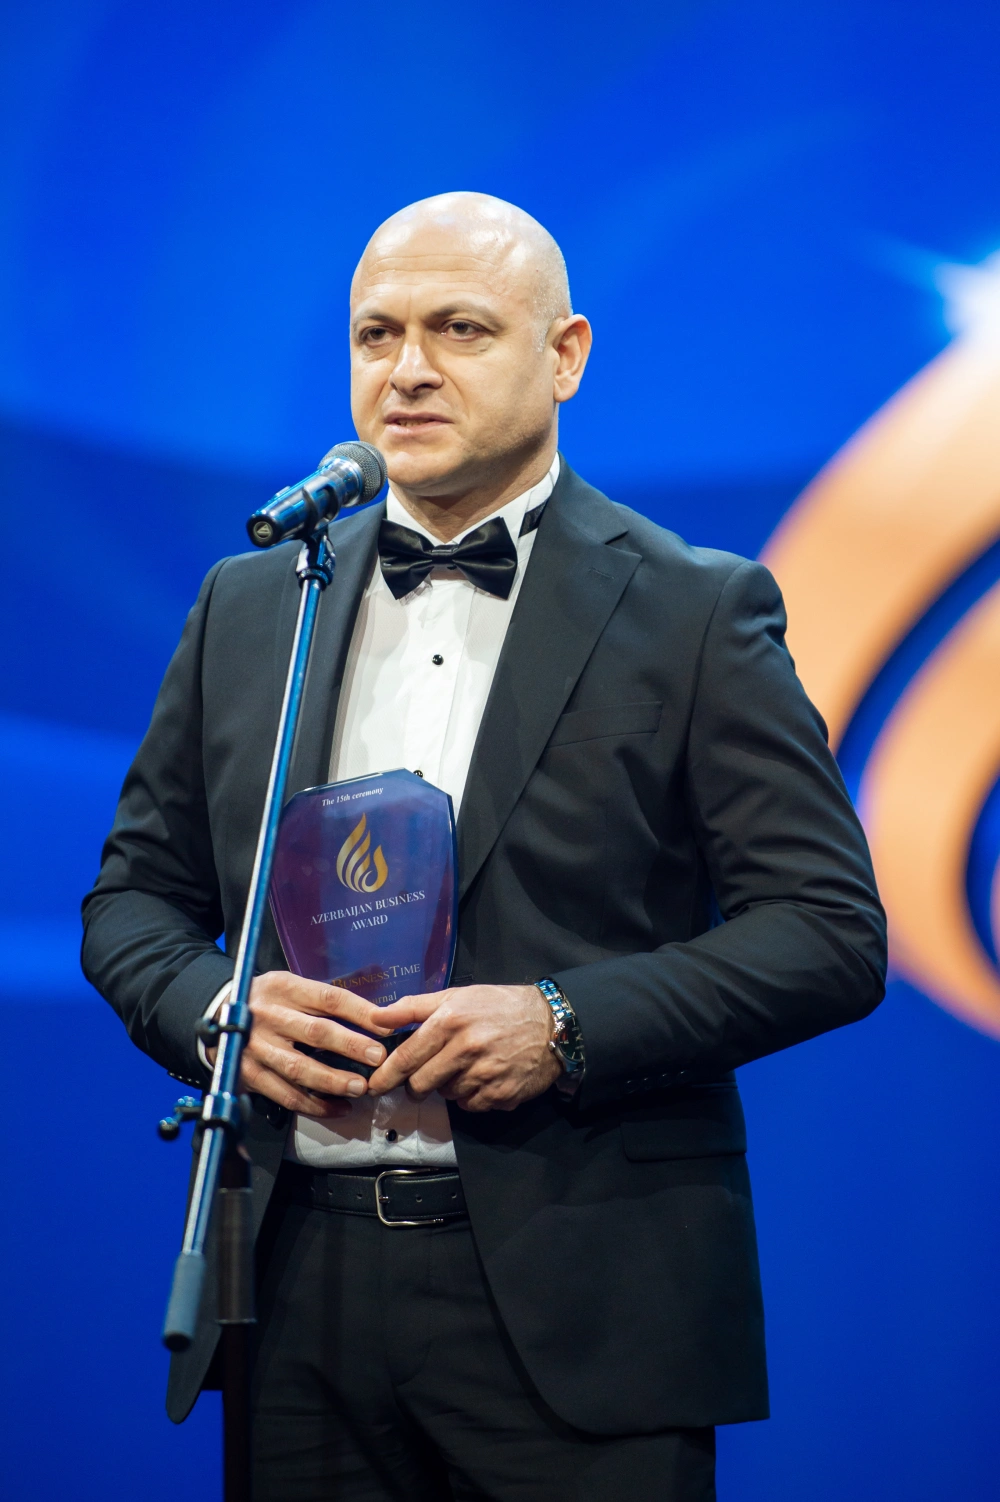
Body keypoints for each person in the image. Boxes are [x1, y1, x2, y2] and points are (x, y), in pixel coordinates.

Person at [82, 191, 887, 1501]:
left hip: (583, 1289)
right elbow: (130, 900)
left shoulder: (696, 609)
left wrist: (561, 1022)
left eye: (459, 329)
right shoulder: (254, 603)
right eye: (377, 334)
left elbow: (827, 934)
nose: (406, 370)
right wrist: (223, 1008)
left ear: (565, 354)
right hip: (290, 1282)